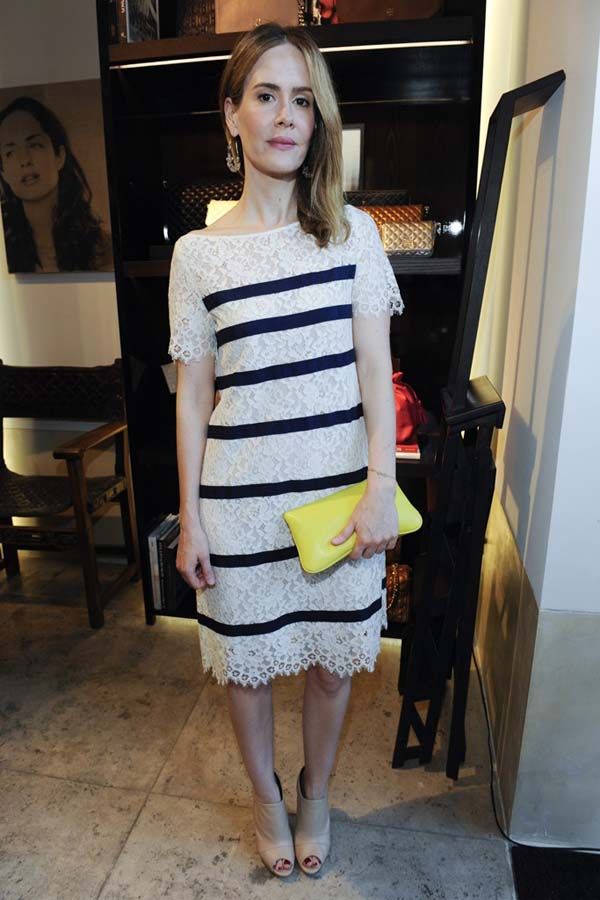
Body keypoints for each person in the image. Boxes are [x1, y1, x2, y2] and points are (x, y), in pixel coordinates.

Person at [167, 22, 405, 878]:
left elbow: (375, 374)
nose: (285, 116)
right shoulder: (197, 255)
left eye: (302, 100)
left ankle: (316, 792)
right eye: (265, 96)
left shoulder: (353, 234)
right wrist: (191, 520)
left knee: (336, 668)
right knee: (248, 670)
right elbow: (194, 396)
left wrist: (381, 486)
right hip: (238, 505)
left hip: (338, 501)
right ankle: (266, 797)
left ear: (319, 119)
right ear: (231, 114)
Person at [0, 96, 113, 273]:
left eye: (34, 145)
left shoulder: (101, 247)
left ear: (59, 155)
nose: (24, 160)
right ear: (3, 173)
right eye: (10, 153)